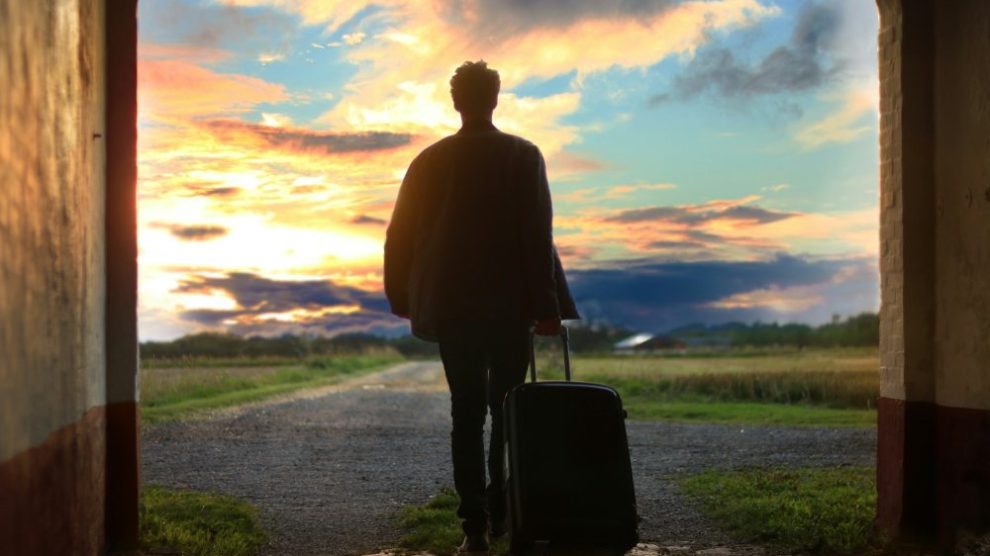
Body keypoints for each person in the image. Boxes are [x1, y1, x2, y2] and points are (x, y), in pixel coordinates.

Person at [384, 60, 579, 553]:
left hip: (452, 307)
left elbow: (399, 235)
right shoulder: (523, 155)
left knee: (465, 414)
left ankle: (473, 530)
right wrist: (547, 305)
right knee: (508, 410)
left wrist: (404, 298)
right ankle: (503, 513)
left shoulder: (428, 161)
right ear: (495, 98)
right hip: (511, 306)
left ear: (456, 102)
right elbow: (538, 237)